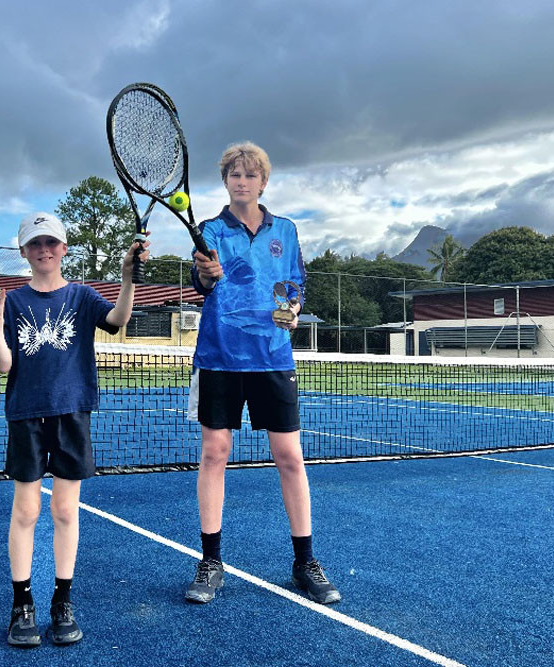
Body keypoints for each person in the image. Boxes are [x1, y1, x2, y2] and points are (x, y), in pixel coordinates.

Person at [0, 211, 149, 648]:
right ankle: (22, 605)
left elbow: (119, 319)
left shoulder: (82, 295)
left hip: (72, 413)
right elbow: (3, 365)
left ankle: (62, 602)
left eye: (51, 242)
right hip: (26, 415)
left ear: (64, 248)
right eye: (35, 244)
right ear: (24, 252)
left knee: (66, 511)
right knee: (27, 512)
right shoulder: (11, 303)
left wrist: (127, 279)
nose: (44, 250)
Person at [184, 142, 340, 605]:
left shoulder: (286, 230)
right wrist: (208, 275)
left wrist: (292, 306)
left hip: (274, 356)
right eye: (234, 174)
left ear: (263, 182)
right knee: (215, 452)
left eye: (250, 175)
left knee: (290, 456)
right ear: (226, 180)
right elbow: (202, 283)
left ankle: (305, 561)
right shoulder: (210, 230)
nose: (242, 181)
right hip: (219, 357)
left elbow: (295, 284)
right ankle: (211, 561)